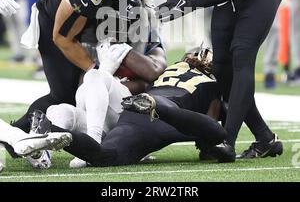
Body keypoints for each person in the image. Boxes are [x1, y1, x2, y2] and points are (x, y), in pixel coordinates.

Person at [114, 0, 287, 162]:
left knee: (241, 54)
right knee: (221, 68)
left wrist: (187, 3)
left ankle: (225, 141)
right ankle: (265, 138)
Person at [11, 0, 152, 140]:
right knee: (64, 95)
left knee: (91, 86)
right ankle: (17, 134)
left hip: (85, 21)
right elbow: (61, 38)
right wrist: (94, 71)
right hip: (55, 27)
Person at [25, 47, 228, 167]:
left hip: (135, 110)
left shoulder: (172, 70)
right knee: (217, 134)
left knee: (103, 153)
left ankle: (50, 128)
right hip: (164, 116)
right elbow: (207, 142)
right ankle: (161, 108)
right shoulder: (210, 84)